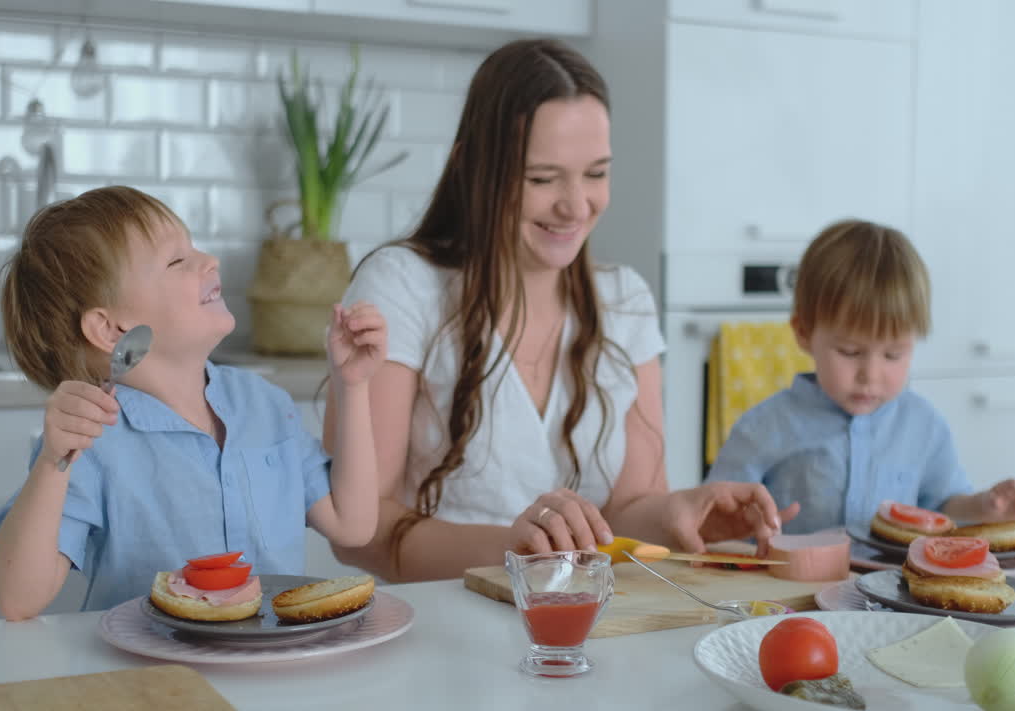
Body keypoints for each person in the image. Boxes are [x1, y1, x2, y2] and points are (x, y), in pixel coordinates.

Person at [323, 38, 798, 583]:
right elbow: (362, 535)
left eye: (596, 173)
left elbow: (626, 511)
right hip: (439, 632)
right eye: (542, 179)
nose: (576, 205)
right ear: (472, 169)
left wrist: (677, 514)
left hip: (590, 626)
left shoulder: (625, 303)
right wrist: (515, 549)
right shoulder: (402, 286)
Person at [0, 186, 387, 620]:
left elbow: (354, 524)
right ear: (110, 329)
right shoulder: (89, 439)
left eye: (193, 247)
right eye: (177, 260)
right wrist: (52, 464)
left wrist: (352, 386)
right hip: (152, 680)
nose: (209, 260)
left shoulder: (264, 404)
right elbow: (16, 600)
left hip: (273, 670)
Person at [705, 219, 1015, 533]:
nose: (871, 375)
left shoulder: (924, 426)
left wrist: (984, 507)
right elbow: (713, 517)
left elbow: (942, 506)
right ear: (804, 333)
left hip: (891, 594)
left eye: (894, 355)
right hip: (786, 594)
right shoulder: (764, 426)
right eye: (850, 352)